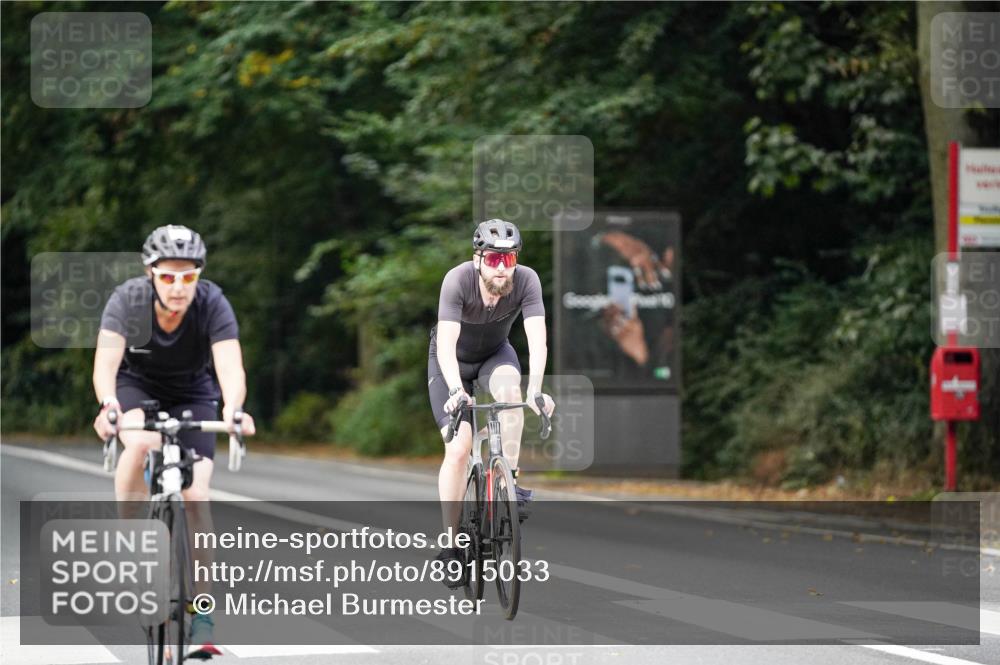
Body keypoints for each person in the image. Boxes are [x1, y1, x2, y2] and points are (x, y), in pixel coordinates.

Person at [92, 224, 256, 660]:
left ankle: (201, 612)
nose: (179, 286)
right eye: (168, 276)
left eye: (188, 276)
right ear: (151, 274)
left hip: (193, 393)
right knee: (140, 442)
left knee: (197, 493)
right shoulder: (128, 300)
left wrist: (234, 410)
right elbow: (105, 365)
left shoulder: (212, 302)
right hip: (136, 386)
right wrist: (109, 405)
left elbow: (230, 366)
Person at [428, 219, 555, 586]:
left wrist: (537, 390)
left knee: (512, 397)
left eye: (509, 259)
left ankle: (508, 483)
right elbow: (448, 345)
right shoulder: (457, 280)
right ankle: (451, 546)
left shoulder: (527, 281)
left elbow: (537, 340)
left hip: (495, 356)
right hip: (449, 363)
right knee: (459, 447)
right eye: (494, 260)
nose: (503, 267)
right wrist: (456, 390)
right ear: (478, 259)